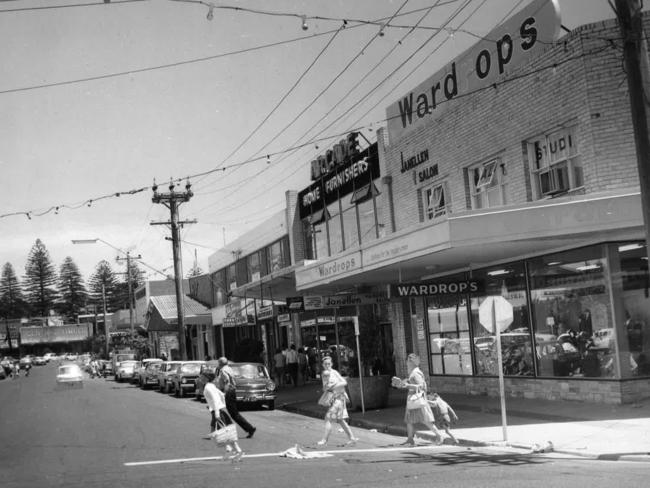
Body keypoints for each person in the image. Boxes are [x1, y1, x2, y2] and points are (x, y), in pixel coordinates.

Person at [393, 353, 442, 446]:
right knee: (409, 420)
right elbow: (409, 383)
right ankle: (410, 439)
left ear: (412, 362)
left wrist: (407, 385)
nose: (406, 362)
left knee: (425, 420)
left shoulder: (415, 373)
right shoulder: (413, 372)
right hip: (412, 400)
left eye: (408, 361)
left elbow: (422, 386)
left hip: (417, 400)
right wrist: (400, 384)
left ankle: (439, 436)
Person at [317, 355, 358, 447]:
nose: (327, 365)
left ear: (331, 364)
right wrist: (327, 387)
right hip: (334, 398)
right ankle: (352, 438)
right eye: (325, 364)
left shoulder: (334, 372)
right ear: (323, 365)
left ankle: (324, 440)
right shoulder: (324, 374)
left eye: (329, 363)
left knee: (328, 418)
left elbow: (344, 382)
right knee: (340, 420)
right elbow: (325, 388)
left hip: (339, 398)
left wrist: (334, 385)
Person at [204, 371, 243, 462]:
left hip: (217, 412)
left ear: (207, 378)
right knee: (222, 432)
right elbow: (221, 395)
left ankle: (237, 450)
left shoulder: (208, 387)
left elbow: (215, 399)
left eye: (202, 377)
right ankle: (230, 449)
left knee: (225, 433)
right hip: (218, 411)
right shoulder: (211, 386)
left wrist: (217, 412)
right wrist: (221, 406)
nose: (200, 378)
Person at [216, 356, 256, 439]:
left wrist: (224, 392)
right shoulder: (229, 368)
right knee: (232, 413)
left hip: (229, 392)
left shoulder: (223, 370)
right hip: (232, 391)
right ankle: (248, 428)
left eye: (218, 363)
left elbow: (227, 381)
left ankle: (249, 428)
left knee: (233, 413)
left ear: (220, 363)